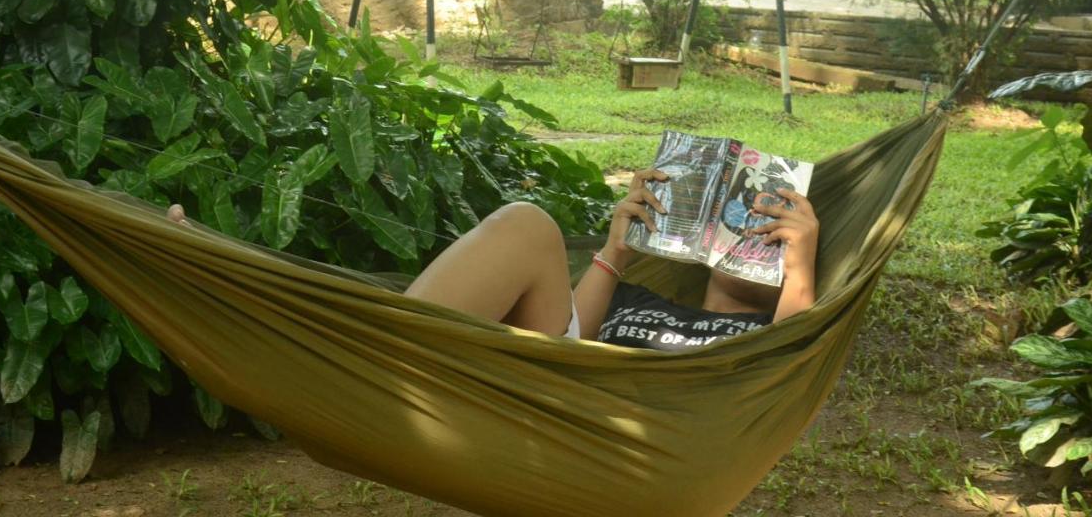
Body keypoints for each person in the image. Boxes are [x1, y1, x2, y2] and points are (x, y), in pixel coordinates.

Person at [167, 168, 820, 350]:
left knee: (527, 224)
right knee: (525, 228)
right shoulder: (648, 297)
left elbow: (796, 356)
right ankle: (260, 296)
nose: (756, 227)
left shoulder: (758, 342)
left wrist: (802, 265)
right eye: (747, 217)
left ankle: (258, 305)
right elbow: (575, 328)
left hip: (579, 409)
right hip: (535, 370)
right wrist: (616, 252)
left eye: (775, 229)